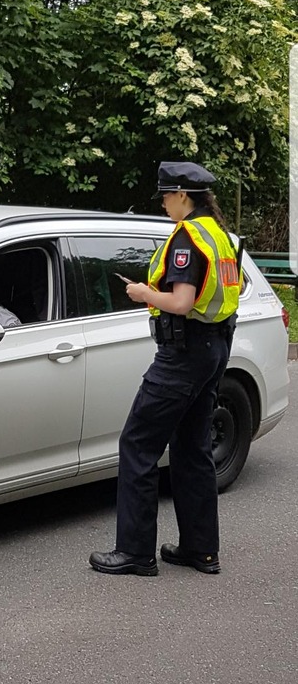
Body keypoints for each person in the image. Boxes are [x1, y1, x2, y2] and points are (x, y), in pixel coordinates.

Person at [89, 160, 242, 578]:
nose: (162, 203)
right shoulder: (219, 235)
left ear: (182, 195)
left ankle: (135, 553)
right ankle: (200, 550)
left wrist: (143, 293)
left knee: (137, 444)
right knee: (193, 448)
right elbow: (234, 287)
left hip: (183, 354)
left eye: (165, 195)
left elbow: (182, 302)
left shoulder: (188, 238)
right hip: (213, 349)